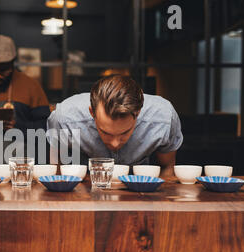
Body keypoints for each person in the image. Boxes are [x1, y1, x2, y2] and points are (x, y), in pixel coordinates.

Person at [46, 74, 183, 177]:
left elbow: (167, 167)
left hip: (141, 189)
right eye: (106, 132)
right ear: (92, 113)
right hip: (85, 186)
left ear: (138, 112)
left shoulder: (164, 118)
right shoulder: (64, 119)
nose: (115, 143)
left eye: (125, 133)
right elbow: (56, 172)